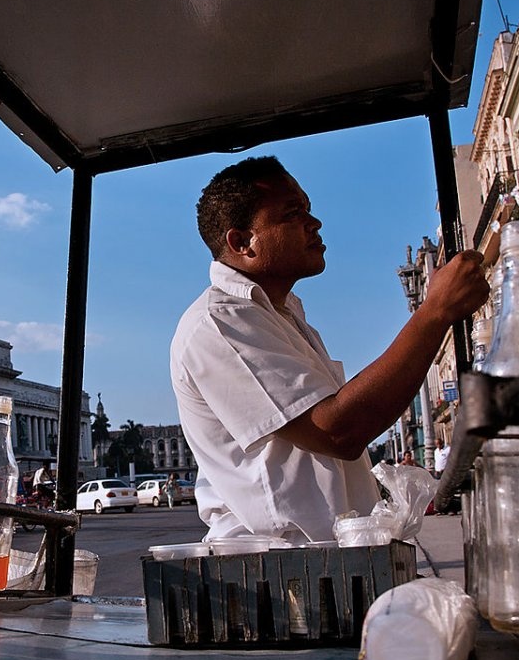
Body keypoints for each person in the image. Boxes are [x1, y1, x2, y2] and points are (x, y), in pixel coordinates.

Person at [170, 156, 488, 543]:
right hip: (280, 569)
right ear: (242, 243)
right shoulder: (220, 322)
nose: (314, 222)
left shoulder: (282, 316)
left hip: (325, 560)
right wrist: (435, 312)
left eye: (308, 208)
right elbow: (338, 430)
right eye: (292, 213)